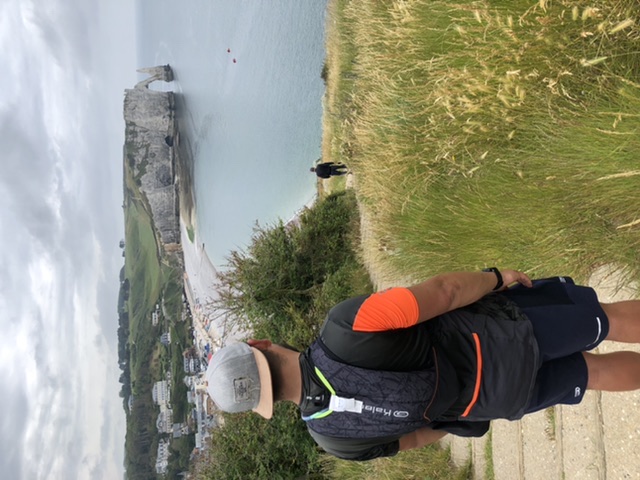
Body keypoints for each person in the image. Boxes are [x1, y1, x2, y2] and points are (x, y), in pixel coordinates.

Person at [205, 268, 640, 460]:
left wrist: (461, 406)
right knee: (605, 321)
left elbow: (414, 439)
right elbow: (445, 293)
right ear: (259, 344)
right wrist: (495, 277)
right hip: (503, 333)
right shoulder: (342, 328)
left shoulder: (332, 440)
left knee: (593, 374)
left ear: (261, 406)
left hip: (496, 398)